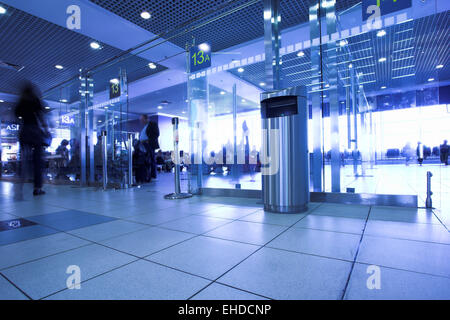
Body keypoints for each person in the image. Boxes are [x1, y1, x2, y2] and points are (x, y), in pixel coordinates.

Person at [14, 81, 51, 196]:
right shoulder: (35, 100)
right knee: (37, 161)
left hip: (24, 132)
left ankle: (19, 185)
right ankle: (37, 188)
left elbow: (17, 116)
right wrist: (46, 129)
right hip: (35, 132)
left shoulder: (21, 102)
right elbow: (41, 116)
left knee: (24, 159)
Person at [139, 115, 160, 181]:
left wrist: (148, 141)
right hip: (143, 145)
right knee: (145, 160)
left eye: (142, 119)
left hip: (149, 144)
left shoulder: (152, 124)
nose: (141, 121)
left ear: (147, 119)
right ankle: (146, 175)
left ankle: (153, 176)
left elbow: (156, 134)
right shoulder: (145, 126)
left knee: (151, 159)